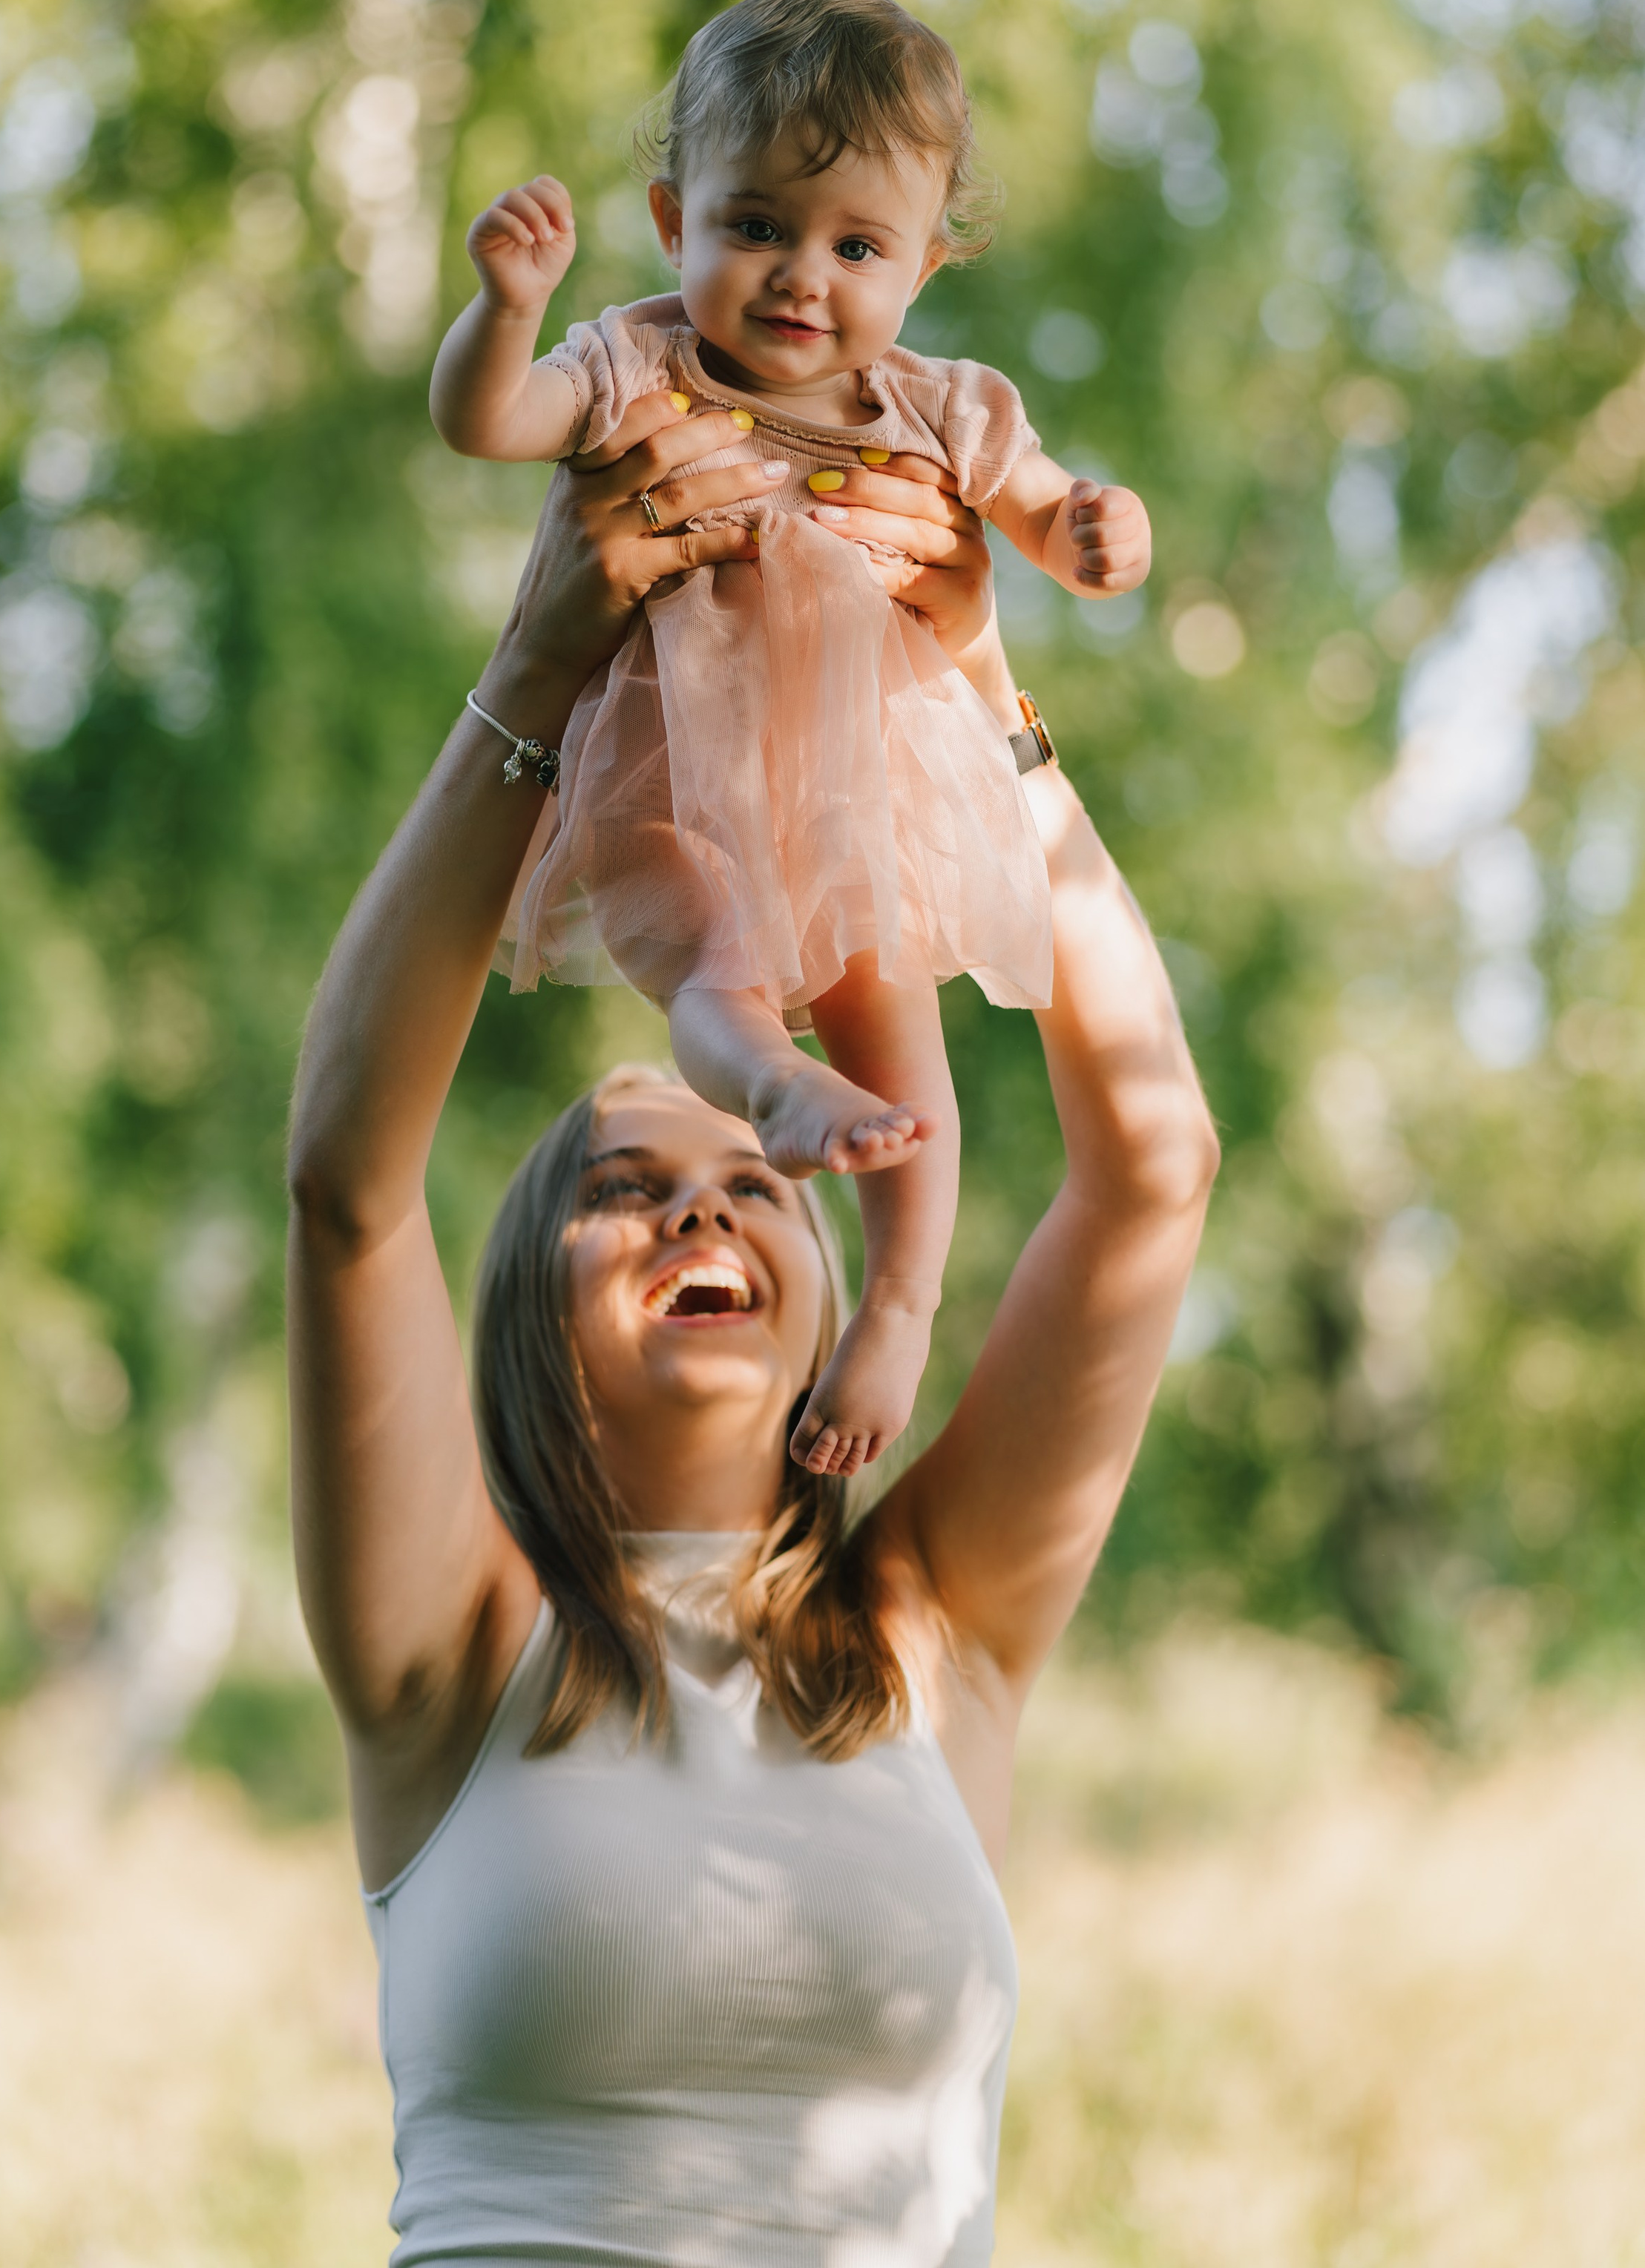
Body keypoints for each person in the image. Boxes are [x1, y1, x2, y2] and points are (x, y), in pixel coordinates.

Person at [286, 407, 1218, 2267]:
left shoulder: (928, 1632)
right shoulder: (453, 1645)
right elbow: (343, 1186)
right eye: (627, 1191)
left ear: (822, 1299)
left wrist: (982, 698)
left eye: (760, 1179)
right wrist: (536, 670)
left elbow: (1151, 1173)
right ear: (530, 1314)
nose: (705, 1205)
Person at [427, 0, 1152, 1476]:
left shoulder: (939, 405)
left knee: (902, 1049)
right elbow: (487, 424)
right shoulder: (634, 361)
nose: (798, 278)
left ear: (926, 264)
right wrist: (504, 314)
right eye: (753, 226)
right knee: (709, 959)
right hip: (664, 761)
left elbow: (1039, 516)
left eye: (857, 246)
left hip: (866, 786)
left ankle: (897, 1307)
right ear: (669, 215)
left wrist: (1090, 534)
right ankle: (765, 1085)